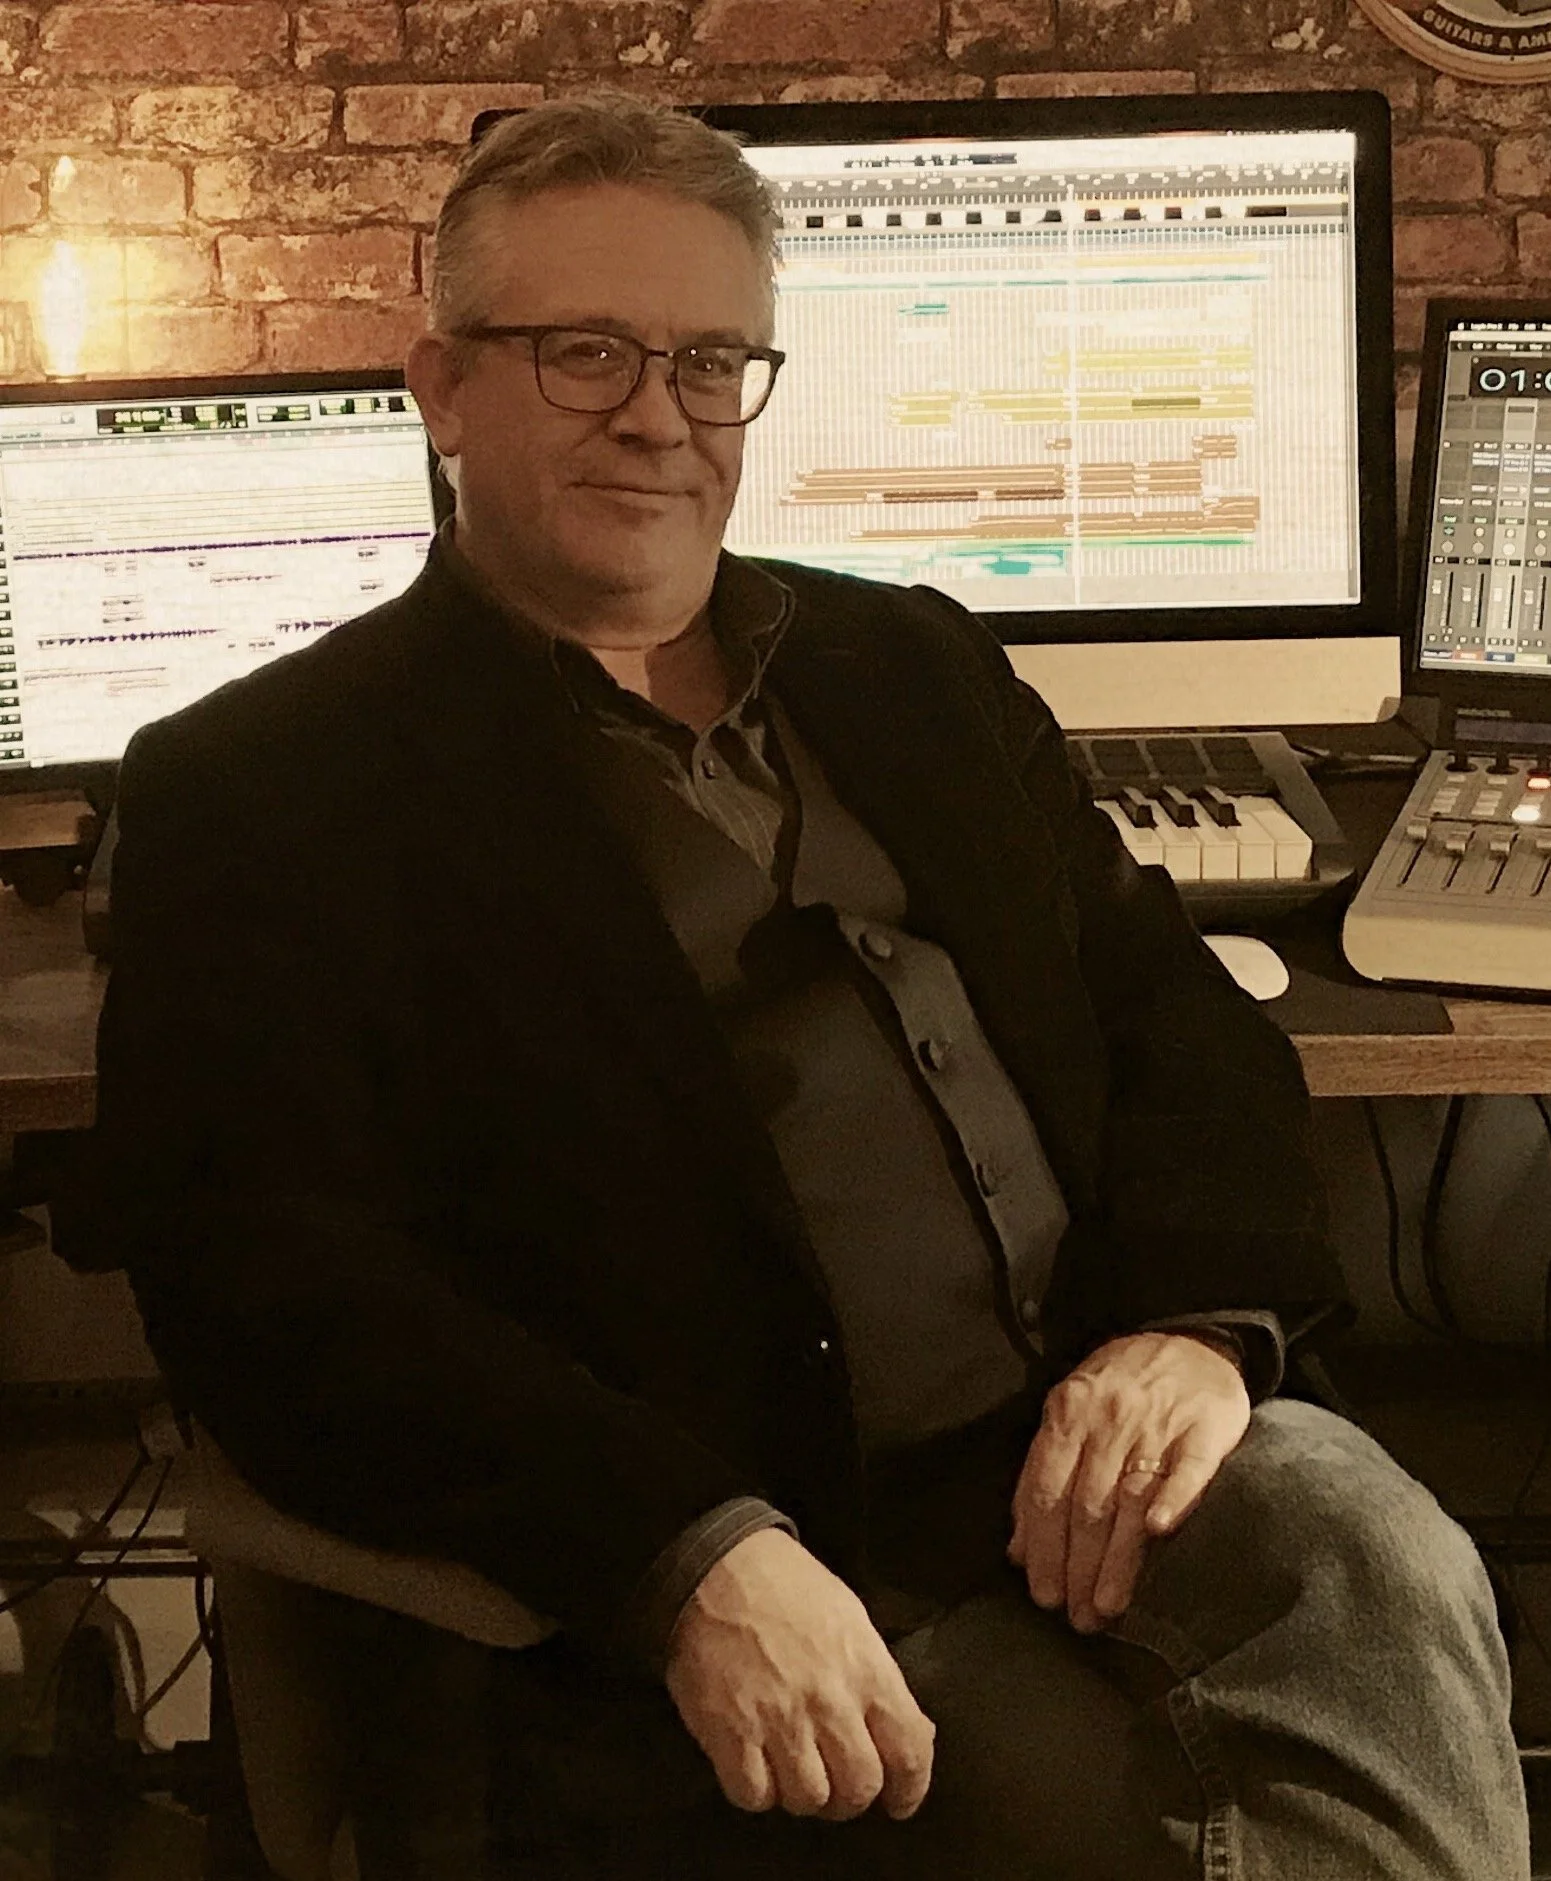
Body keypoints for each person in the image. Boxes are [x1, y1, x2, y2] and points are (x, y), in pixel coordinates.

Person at [76, 90, 1530, 1879]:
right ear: (442, 385)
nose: (656, 418)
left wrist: (1200, 1325)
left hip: (1092, 1454)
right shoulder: (258, 786)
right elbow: (269, 1274)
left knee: (1377, 1547)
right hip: (766, 1523)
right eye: (585, 352)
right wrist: (681, 1552)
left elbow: (1173, 1014)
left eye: (708, 362)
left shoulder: (905, 658)